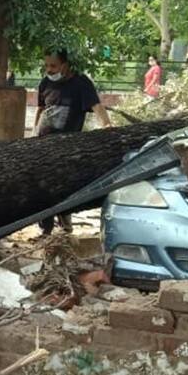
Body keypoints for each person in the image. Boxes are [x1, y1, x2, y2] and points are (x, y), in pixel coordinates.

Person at [34, 47, 113, 235]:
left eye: (53, 65)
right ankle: (46, 230)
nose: (49, 69)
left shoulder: (81, 83)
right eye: (46, 65)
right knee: (44, 188)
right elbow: (40, 109)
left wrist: (107, 125)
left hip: (68, 148)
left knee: (63, 188)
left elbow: (96, 106)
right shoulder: (45, 83)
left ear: (65, 65)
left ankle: (65, 225)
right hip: (44, 146)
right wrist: (33, 133)